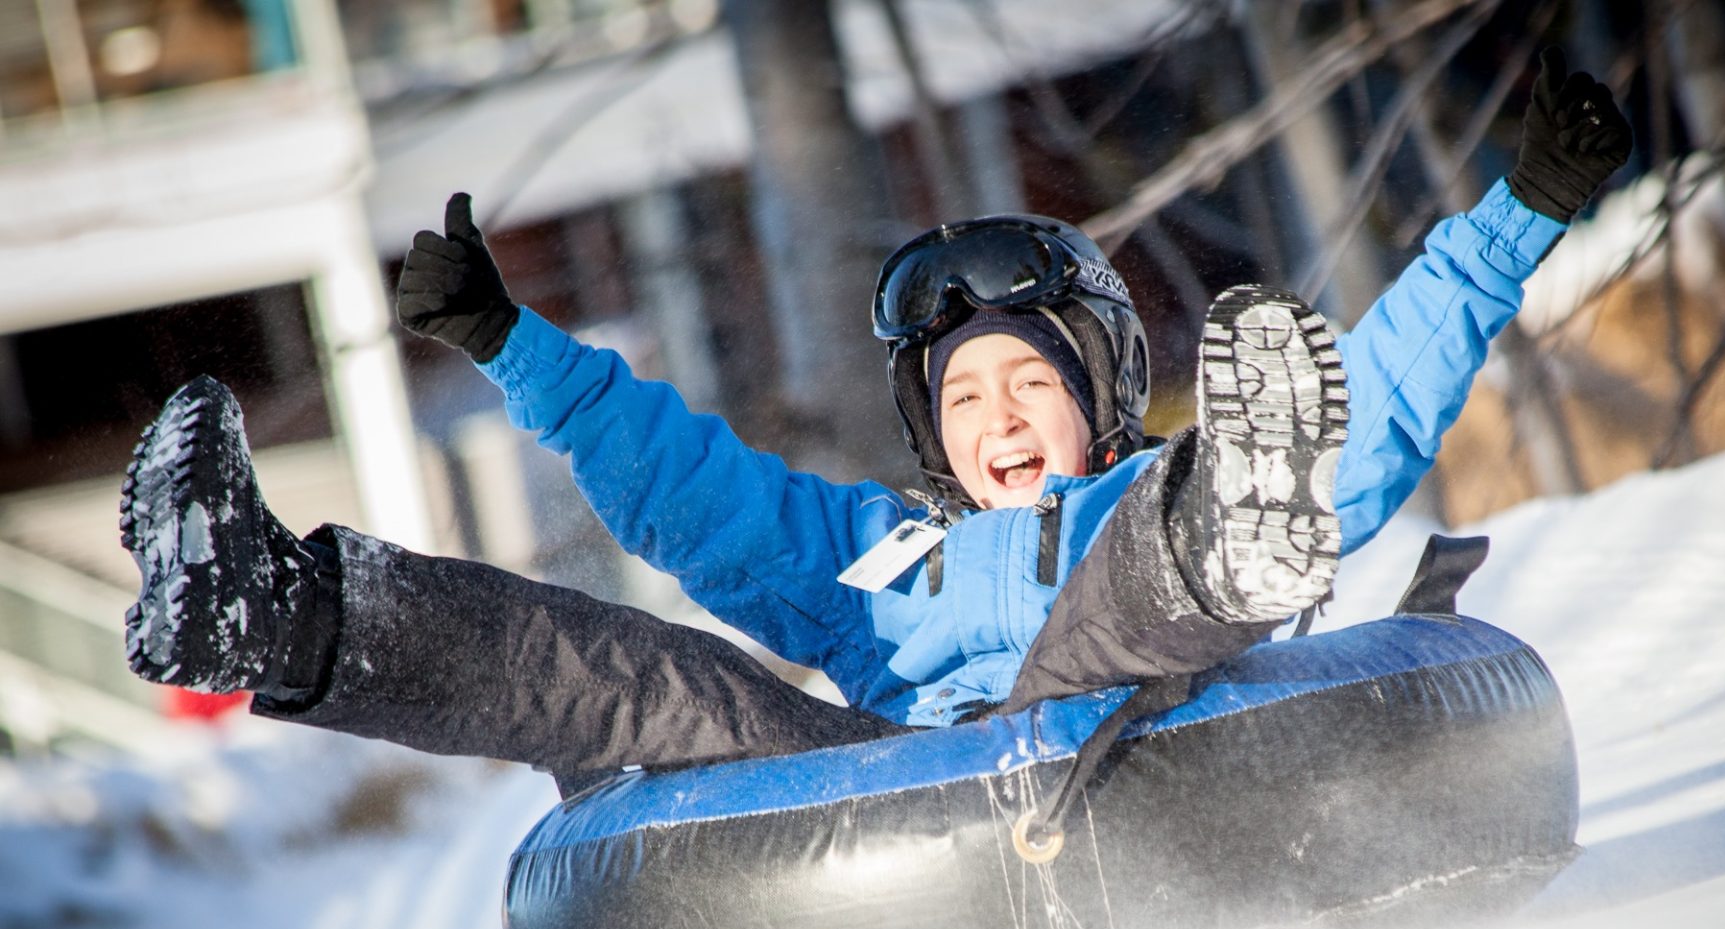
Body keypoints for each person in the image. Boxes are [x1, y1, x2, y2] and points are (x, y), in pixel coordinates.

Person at [120, 51, 1629, 792]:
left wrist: (1515, 220)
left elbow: (1367, 431)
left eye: (1033, 378)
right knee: (658, 684)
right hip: (911, 797)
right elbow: (698, 501)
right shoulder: (882, 553)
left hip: (1146, 732)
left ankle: (1247, 534)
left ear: (1098, 397)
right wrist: (515, 345)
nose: (1001, 414)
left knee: (1143, 586)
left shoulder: (1137, 494)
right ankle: (278, 611)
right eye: (966, 395)